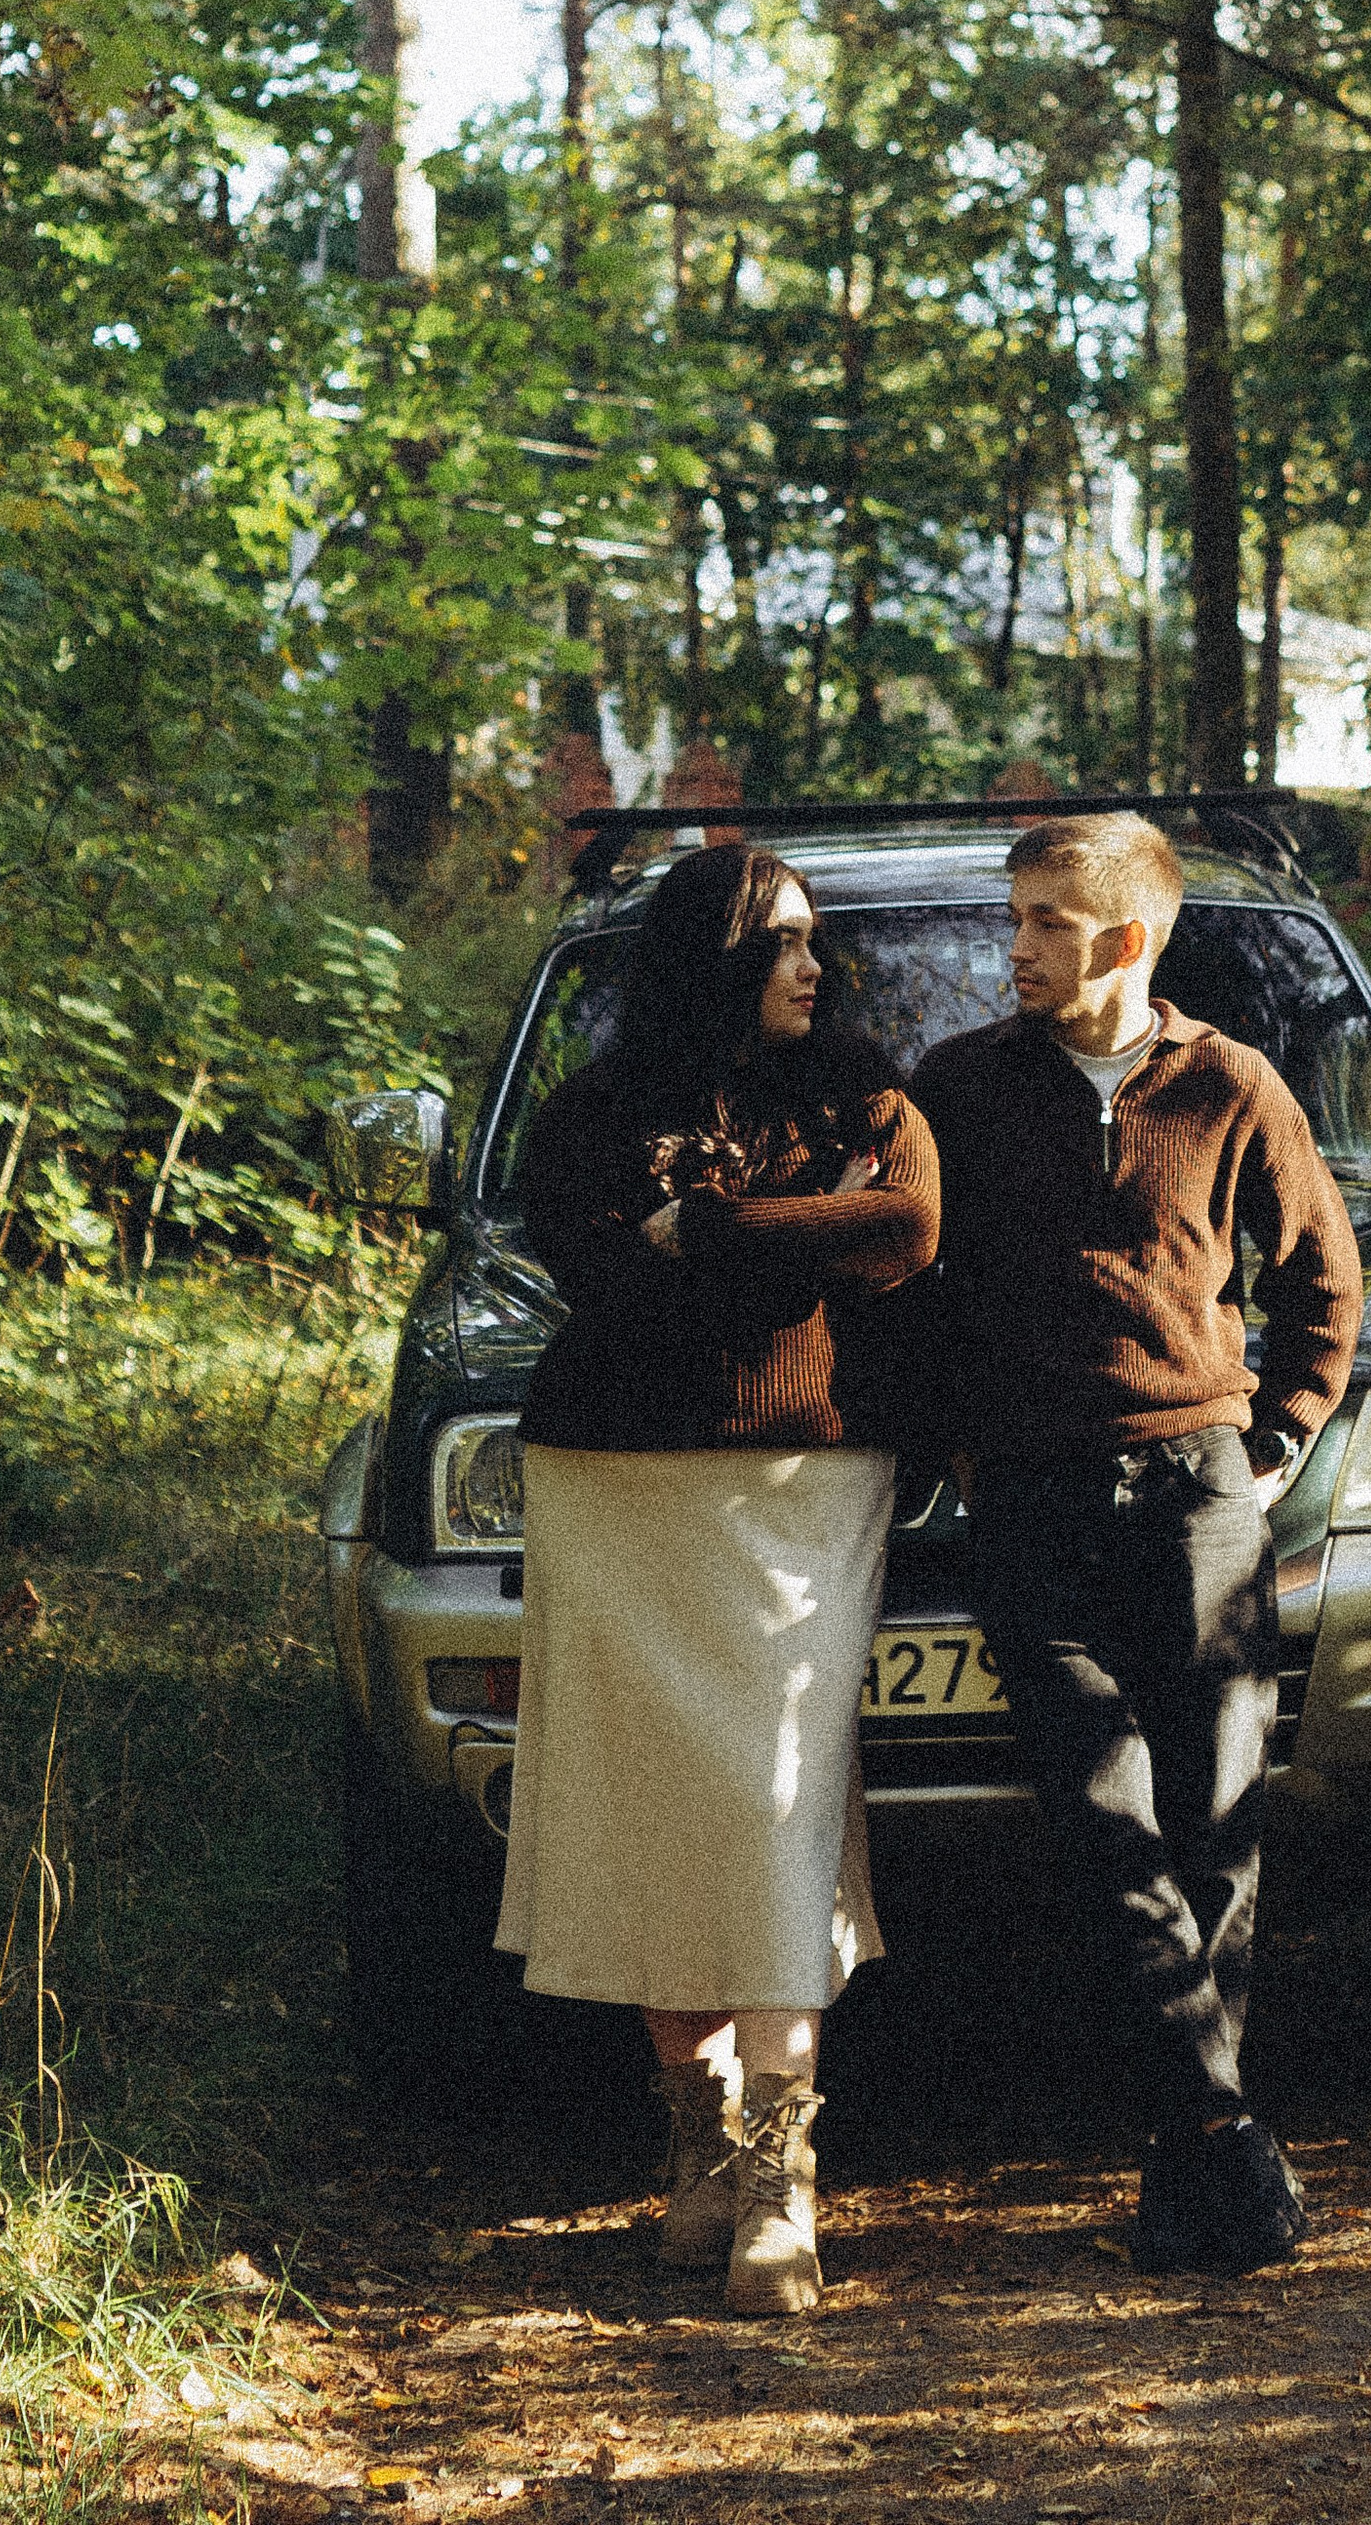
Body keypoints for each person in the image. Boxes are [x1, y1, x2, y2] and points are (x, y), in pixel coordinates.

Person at [912, 810, 1364, 2275]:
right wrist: (959, 1440)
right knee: (1107, 1826)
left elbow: (1321, 1277)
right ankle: (1224, 2127)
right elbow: (907, 1286)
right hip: (1029, 1503)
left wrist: (1280, 1435)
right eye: (1015, 919)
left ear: (1123, 939)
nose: (1015, 947)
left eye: (1042, 923)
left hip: (1197, 1495)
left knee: (1218, 1825)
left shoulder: (1232, 1086)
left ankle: (1189, 2158)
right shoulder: (959, 1089)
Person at [498, 841, 940, 2314]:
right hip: (611, 1483)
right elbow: (595, 1270)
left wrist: (709, 1226)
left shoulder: (865, 1099)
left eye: (813, 942)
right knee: (647, 1818)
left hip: (799, 1486)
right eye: (782, 944)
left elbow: (906, 1231)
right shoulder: (592, 1113)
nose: (813, 967)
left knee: (773, 1811)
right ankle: (697, 2153)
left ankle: (776, 2182)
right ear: (714, 959)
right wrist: (799, 1241)